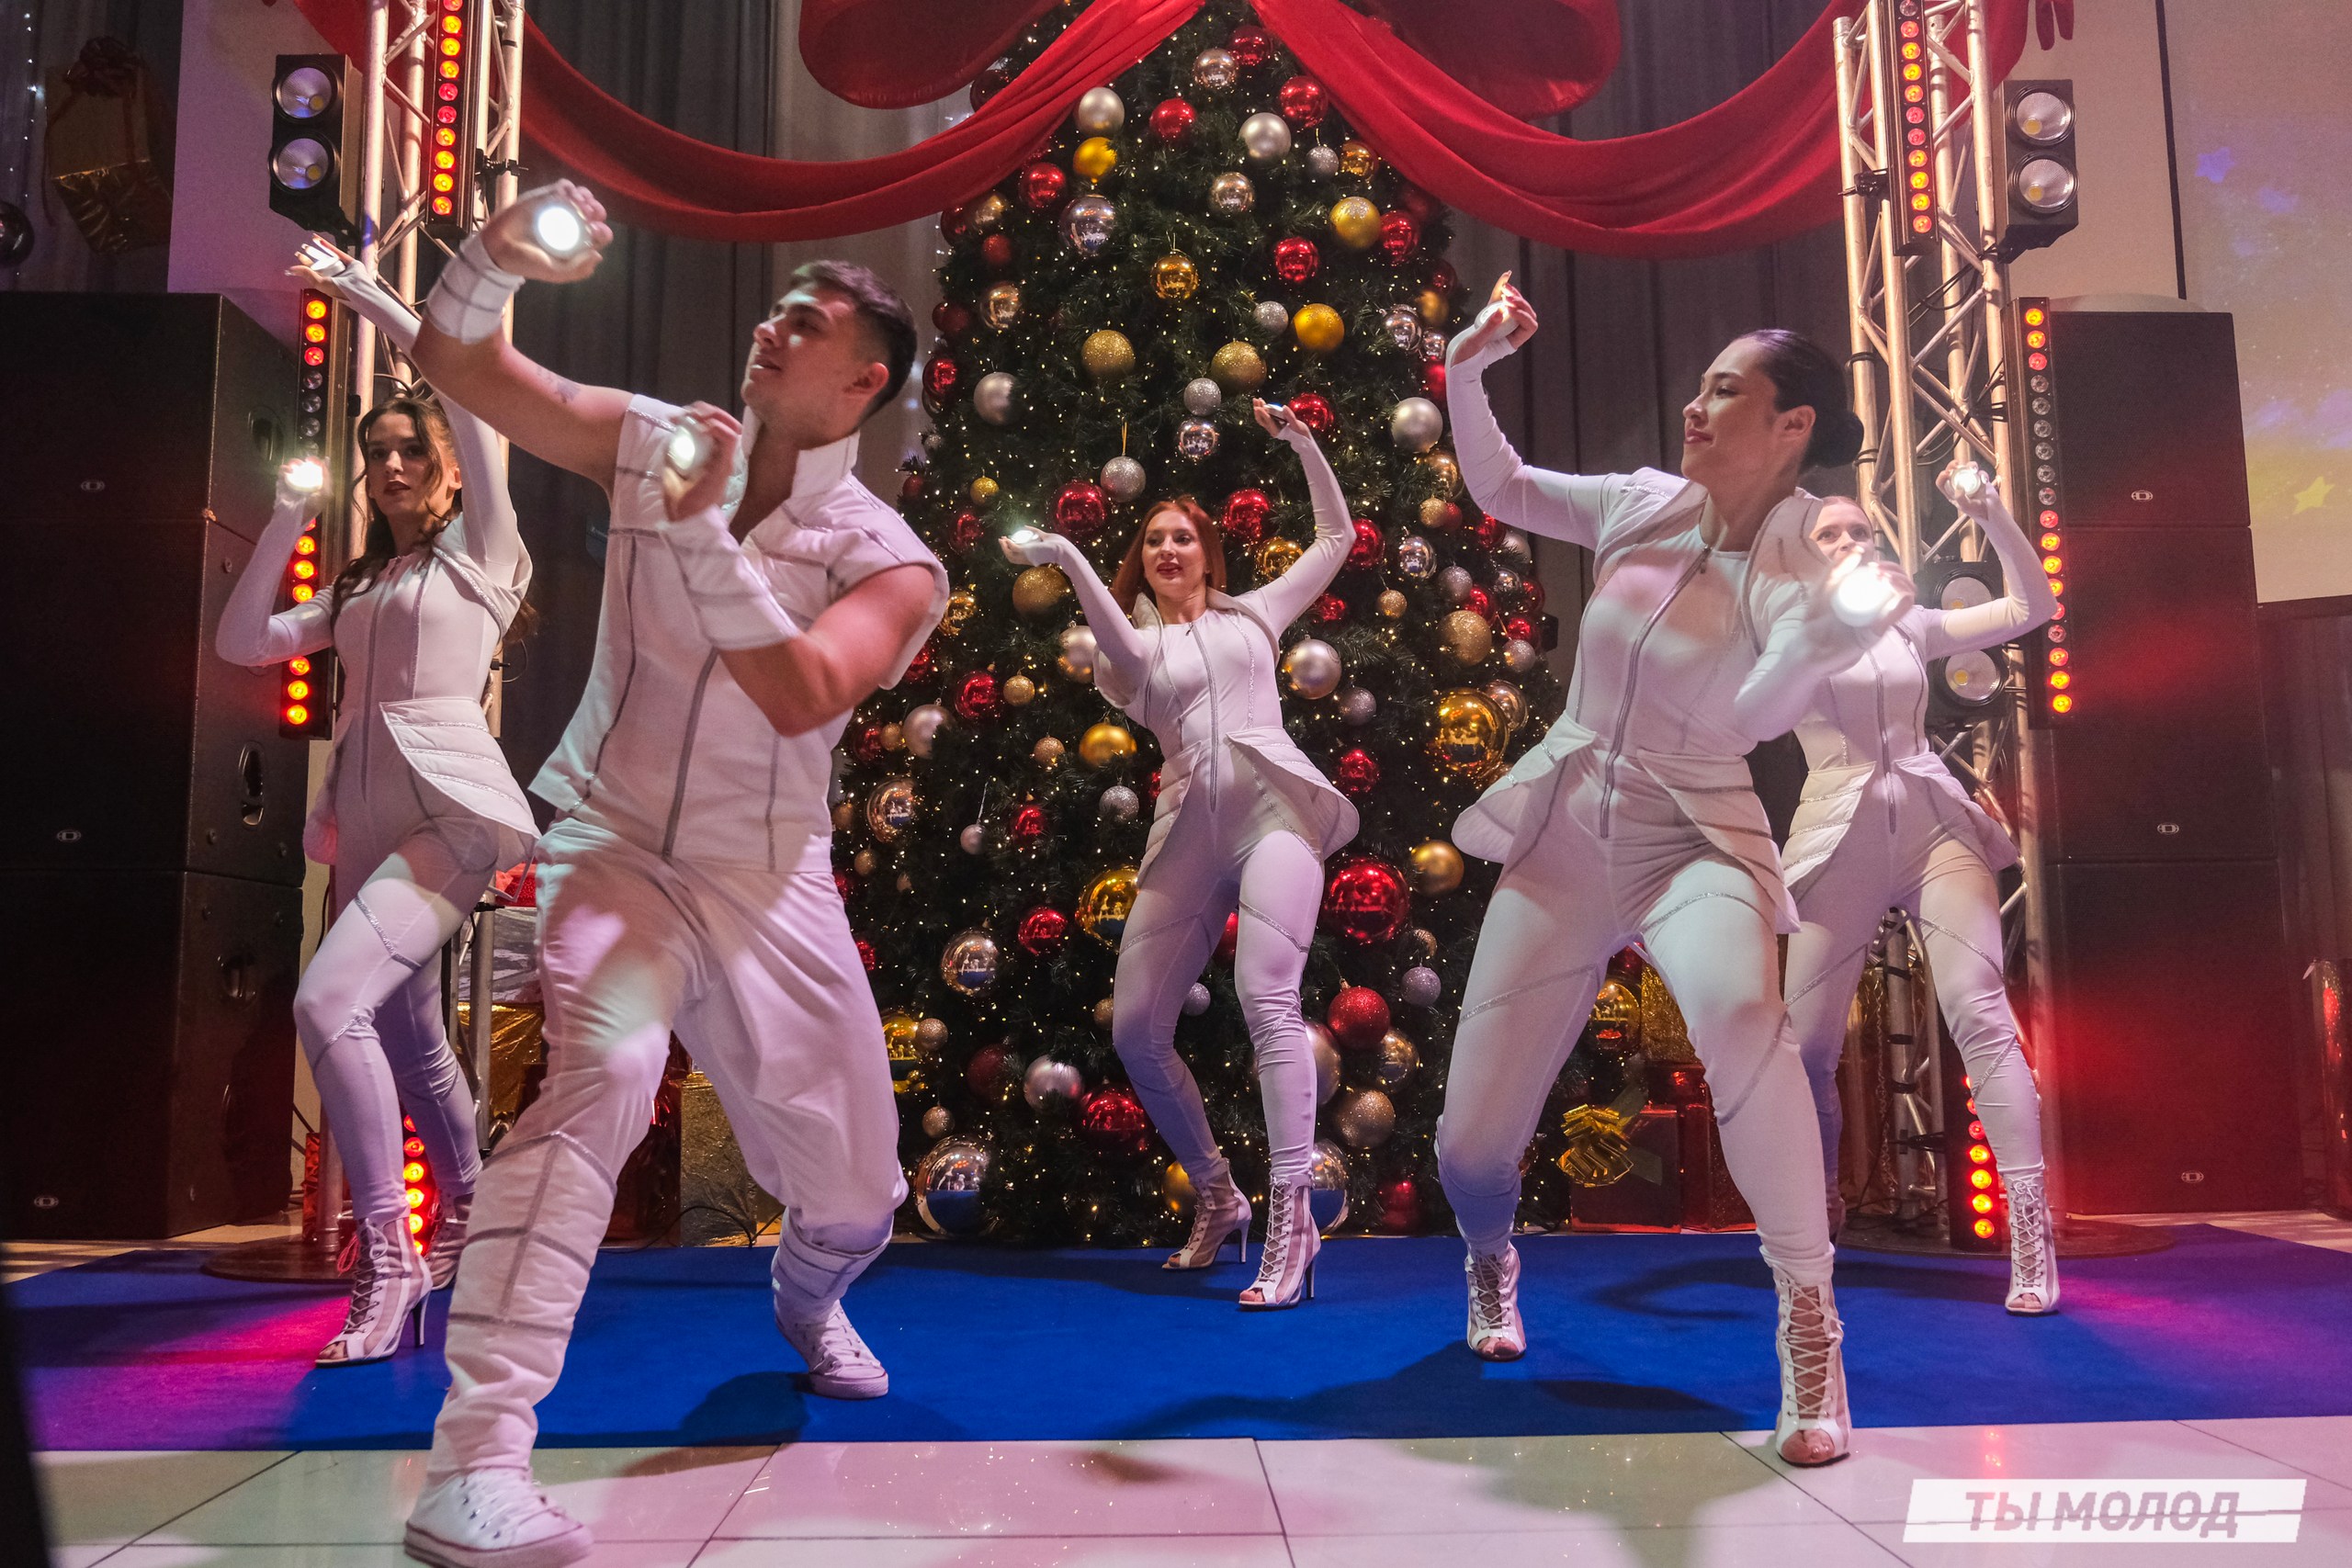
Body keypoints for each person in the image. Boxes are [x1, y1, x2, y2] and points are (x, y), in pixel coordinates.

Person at [395, 184, 948, 1568]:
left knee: (857, 1194)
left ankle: (808, 1297)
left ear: (863, 382)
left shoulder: (893, 560)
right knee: (603, 1078)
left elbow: (802, 687)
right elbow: (459, 362)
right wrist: (495, 255)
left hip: (770, 883)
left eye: (805, 322)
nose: (771, 325)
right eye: (778, 308)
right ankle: (475, 1462)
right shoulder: (653, 441)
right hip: (616, 850)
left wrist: (700, 531)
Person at [1435, 278, 1910, 1466]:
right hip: (1566, 827)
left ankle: (1810, 1322)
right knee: (1469, 1149)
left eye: (1725, 390)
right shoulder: (1645, 501)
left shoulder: (1816, 540)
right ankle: (1490, 1253)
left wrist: (1836, 621)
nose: (1696, 406)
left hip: (1694, 830)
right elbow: (1502, 487)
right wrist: (1464, 368)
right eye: (1699, 385)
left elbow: (1780, 685)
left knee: (1746, 1020)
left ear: (1791, 424)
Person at [215, 242, 535, 1368]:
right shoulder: (363, 583)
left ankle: (391, 1259)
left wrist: (367, 298)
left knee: (326, 1003)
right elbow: (243, 642)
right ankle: (472, 1213)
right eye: (377, 455)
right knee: (406, 1033)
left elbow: (465, 395)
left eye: (410, 451)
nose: (392, 466)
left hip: (448, 814)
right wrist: (284, 524)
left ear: (448, 472)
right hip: (362, 824)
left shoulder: (485, 557)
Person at [1002, 402, 1358, 1310]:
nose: (1167, 549)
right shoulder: (1133, 650)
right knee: (1135, 1030)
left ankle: (1292, 1220)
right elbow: (1118, 641)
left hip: (1277, 814)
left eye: (1183, 538)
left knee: (1266, 998)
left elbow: (1337, 537)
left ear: (1208, 553)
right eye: (1154, 540)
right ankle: (1216, 1191)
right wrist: (1066, 556)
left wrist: (1303, 443)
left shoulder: (1258, 614)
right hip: (1187, 833)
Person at [1786, 473, 2060, 1314]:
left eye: (1859, 532)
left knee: (1980, 1009)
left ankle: (2031, 1229)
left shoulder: (1909, 621)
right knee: (1804, 1048)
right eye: (1830, 535)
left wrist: (1991, 513)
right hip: (1836, 838)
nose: (1850, 543)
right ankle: (1816, 1208)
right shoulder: (1782, 630)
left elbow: (2034, 605)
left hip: (1937, 827)